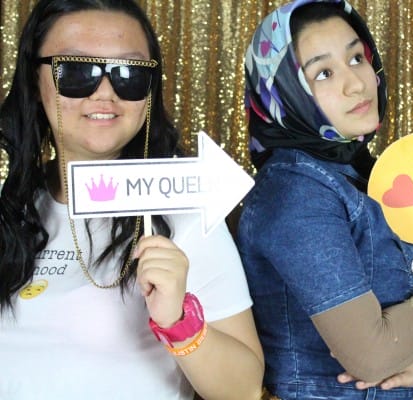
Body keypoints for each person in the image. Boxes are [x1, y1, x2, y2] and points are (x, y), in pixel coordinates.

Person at [238, 0, 413, 399]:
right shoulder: (295, 193)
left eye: (356, 58)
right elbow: (371, 356)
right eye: (323, 73)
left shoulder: (360, 172)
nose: (356, 83)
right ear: (284, 92)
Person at [0, 1, 264, 399]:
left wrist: (178, 321)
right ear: (35, 82)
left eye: (130, 74)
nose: (105, 93)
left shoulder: (184, 212)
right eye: (76, 71)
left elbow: (244, 390)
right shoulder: (11, 207)